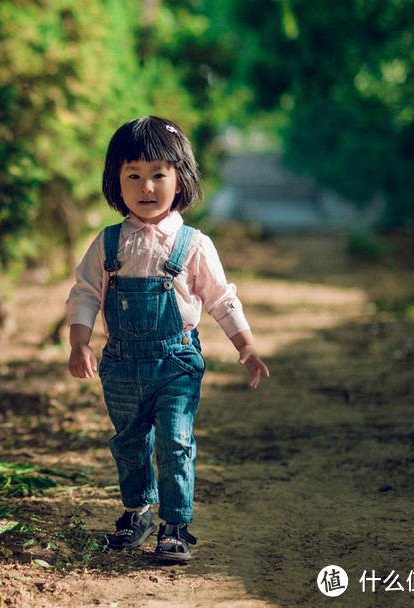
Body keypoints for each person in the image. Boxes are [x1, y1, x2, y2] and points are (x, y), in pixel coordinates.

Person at [66, 116, 269, 561]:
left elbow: (221, 298)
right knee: (128, 442)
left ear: (181, 180)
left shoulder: (194, 244)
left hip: (175, 361)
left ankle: (175, 524)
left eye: (159, 174)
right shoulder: (108, 243)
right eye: (133, 175)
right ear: (116, 182)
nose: (147, 186)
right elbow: (85, 292)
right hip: (120, 364)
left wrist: (246, 345)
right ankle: (137, 510)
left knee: (174, 441)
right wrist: (78, 341)